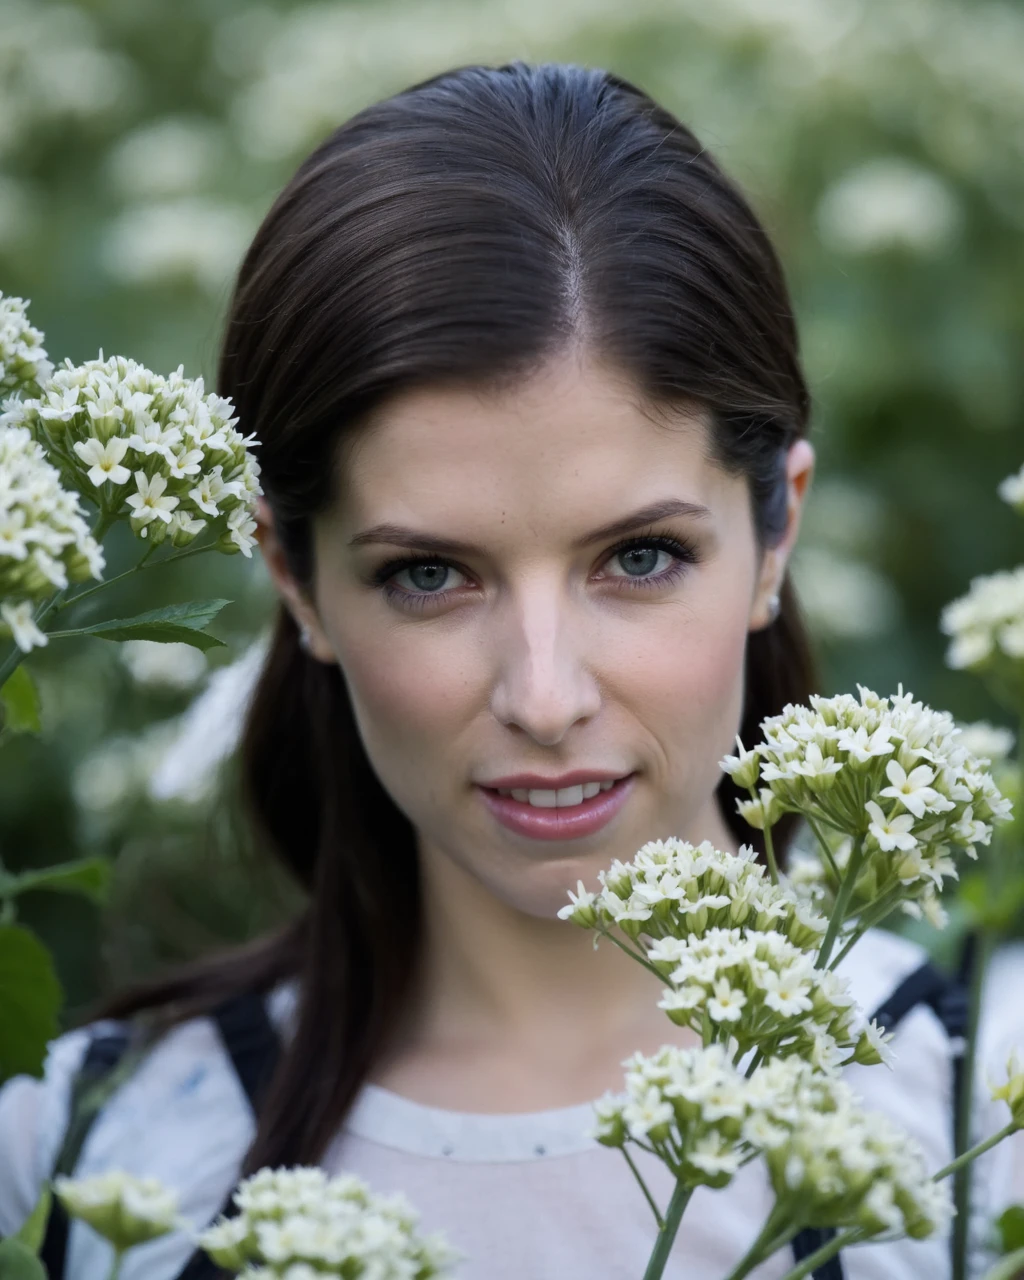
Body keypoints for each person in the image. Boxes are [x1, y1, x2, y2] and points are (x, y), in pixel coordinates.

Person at [0, 60, 1008, 1280]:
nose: (543, 697)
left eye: (638, 556)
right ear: (294, 576)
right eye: (429, 574)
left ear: (775, 532)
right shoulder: (86, 1153)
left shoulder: (979, 1116)